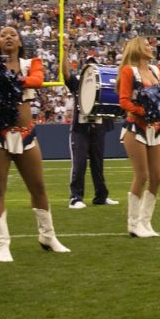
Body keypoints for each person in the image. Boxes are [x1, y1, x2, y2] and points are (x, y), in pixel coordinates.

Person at [0, 25, 69, 261]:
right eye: (3, 34)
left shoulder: (31, 63)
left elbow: (37, 80)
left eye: (12, 35)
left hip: (26, 133)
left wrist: (10, 80)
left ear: (19, 42)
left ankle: (48, 235)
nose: (7, 37)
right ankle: (1, 243)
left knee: (38, 187)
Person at [117, 37, 160, 238]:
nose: (150, 47)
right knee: (142, 175)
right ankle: (133, 223)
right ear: (137, 48)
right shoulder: (130, 71)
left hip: (155, 128)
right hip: (135, 127)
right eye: (146, 44)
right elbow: (123, 101)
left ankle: (145, 222)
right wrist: (141, 111)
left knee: (157, 177)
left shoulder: (156, 70)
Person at [64, 61, 118, 210]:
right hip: (80, 130)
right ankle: (75, 198)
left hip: (97, 128)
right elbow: (66, 74)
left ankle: (101, 196)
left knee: (98, 165)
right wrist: (65, 50)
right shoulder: (77, 82)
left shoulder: (101, 84)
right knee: (79, 164)